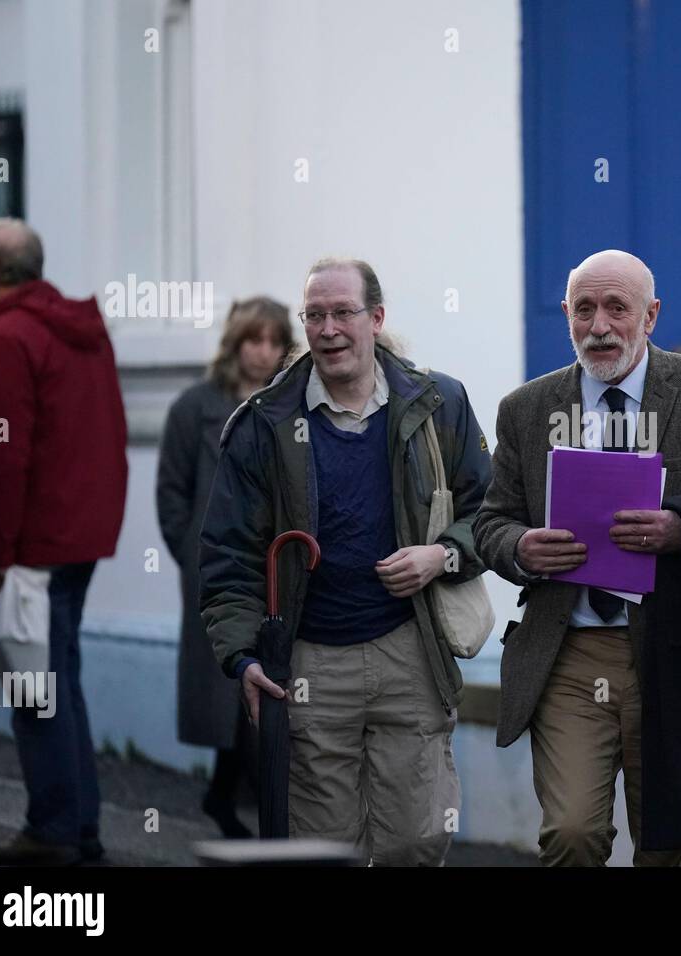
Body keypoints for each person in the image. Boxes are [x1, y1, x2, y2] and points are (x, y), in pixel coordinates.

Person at [474, 248, 681, 866]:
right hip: (569, 651)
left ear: (651, 316)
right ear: (565, 314)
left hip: (675, 652)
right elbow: (491, 521)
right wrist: (520, 547)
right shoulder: (526, 409)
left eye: (617, 308)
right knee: (571, 833)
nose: (599, 327)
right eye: (584, 309)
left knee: (668, 846)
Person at [198, 257, 492, 865]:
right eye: (314, 316)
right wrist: (243, 656)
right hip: (308, 661)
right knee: (325, 850)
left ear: (376, 319)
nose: (328, 329)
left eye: (343, 313)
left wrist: (442, 556)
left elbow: (489, 514)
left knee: (416, 837)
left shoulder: (438, 404)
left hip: (409, 648)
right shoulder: (264, 424)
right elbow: (228, 554)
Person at [0, 218, 128, 866]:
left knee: (36, 690)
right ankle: (77, 829)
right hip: (77, 538)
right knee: (61, 683)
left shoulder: (6, 339)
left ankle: (54, 830)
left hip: (31, 545)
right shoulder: (82, 334)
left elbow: (1, 458)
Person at [156, 297, 293, 838]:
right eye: (252, 340)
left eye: (273, 341)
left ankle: (233, 800)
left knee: (268, 688)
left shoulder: (288, 406)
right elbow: (172, 494)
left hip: (278, 572)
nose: (263, 352)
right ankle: (238, 804)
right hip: (218, 572)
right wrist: (197, 557)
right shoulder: (196, 407)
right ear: (235, 345)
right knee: (229, 687)